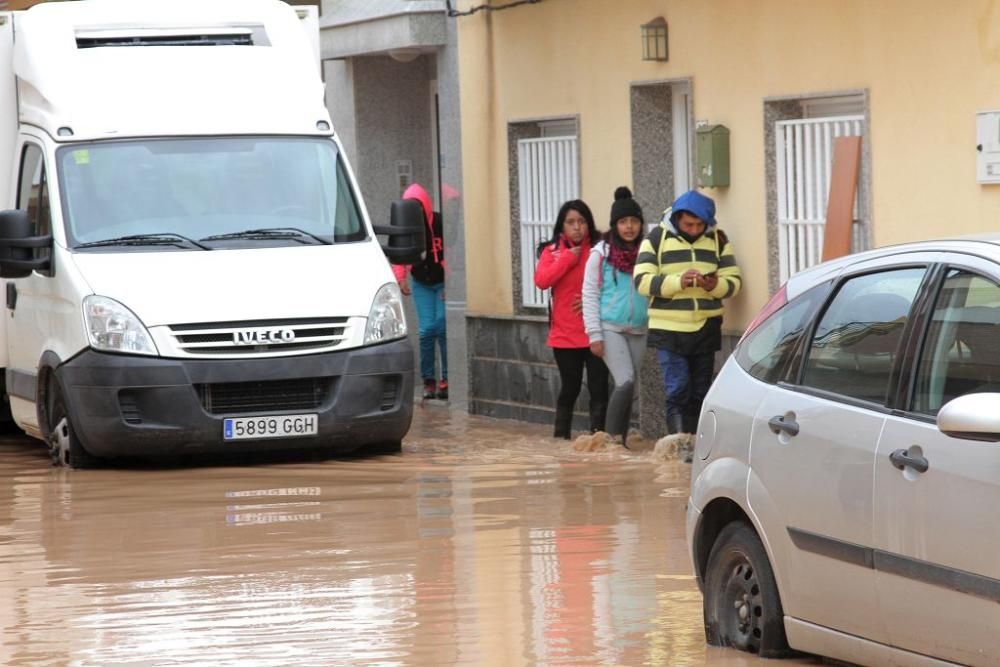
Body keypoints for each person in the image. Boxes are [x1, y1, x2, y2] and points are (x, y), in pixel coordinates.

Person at [633, 190, 742, 445]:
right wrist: (678, 282)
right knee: (678, 388)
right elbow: (642, 281)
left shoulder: (717, 240)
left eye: (699, 225)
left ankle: (699, 446)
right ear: (677, 219)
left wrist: (713, 286)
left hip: (706, 324)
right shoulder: (656, 239)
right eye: (688, 224)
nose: (693, 229)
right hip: (668, 327)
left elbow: (734, 282)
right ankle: (679, 446)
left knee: (701, 390)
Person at [534, 200, 609, 439]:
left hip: (595, 332)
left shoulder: (601, 249)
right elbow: (542, 281)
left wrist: (591, 301)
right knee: (570, 388)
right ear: (562, 226)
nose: (577, 227)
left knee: (599, 389)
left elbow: (612, 284)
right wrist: (567, 258)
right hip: (564, 335)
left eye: (582, 222)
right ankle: (560, 440)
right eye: (571, 222)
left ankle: (600, 440)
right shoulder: (552, 251)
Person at [582, 187, 649, 447]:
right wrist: (594, 335)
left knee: (630, 389)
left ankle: (621, 444)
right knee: (625, 381)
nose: (629, 227)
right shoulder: (601, 254)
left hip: (639, 329)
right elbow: (588, 294)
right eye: (623, 222)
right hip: (609, 327)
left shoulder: (647, 252)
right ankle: (610, 441)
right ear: (614, 225)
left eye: (633, 221)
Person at [393, 183, 448, 400]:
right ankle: (428, 380)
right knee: (426, 331)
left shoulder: (440, 222)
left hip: (443, 282)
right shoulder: (405, 224)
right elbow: (398, 251)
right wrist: (400, 278)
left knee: (443, 327)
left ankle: (446, 378)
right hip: (421, 283)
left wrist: (452, 286)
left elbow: (453, 251)